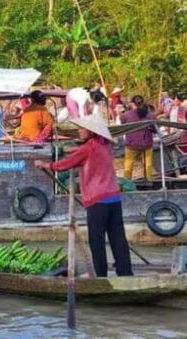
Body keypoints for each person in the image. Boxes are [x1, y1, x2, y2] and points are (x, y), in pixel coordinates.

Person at [34, 115, 133, 277]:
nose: (79, 131)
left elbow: (65, 164)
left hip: (98, 200)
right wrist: (72, 150)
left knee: (97, 240)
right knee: (118, 237)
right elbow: (81, 153)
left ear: (91, 131)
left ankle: (100, 275)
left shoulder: (88, 149)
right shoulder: (105, 145)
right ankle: (126, 272)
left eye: (82, 129)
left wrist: (46, 165)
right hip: (114, 198)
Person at [120, 95, 156, 180]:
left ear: (132, 104)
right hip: (147, 144)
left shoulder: (127, 115)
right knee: (148, 166)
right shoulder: (150, 115)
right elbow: (155, 129)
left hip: (132, 144)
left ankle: (126, 184)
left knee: (128, 167)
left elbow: (122, 123)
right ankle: (149, 182)